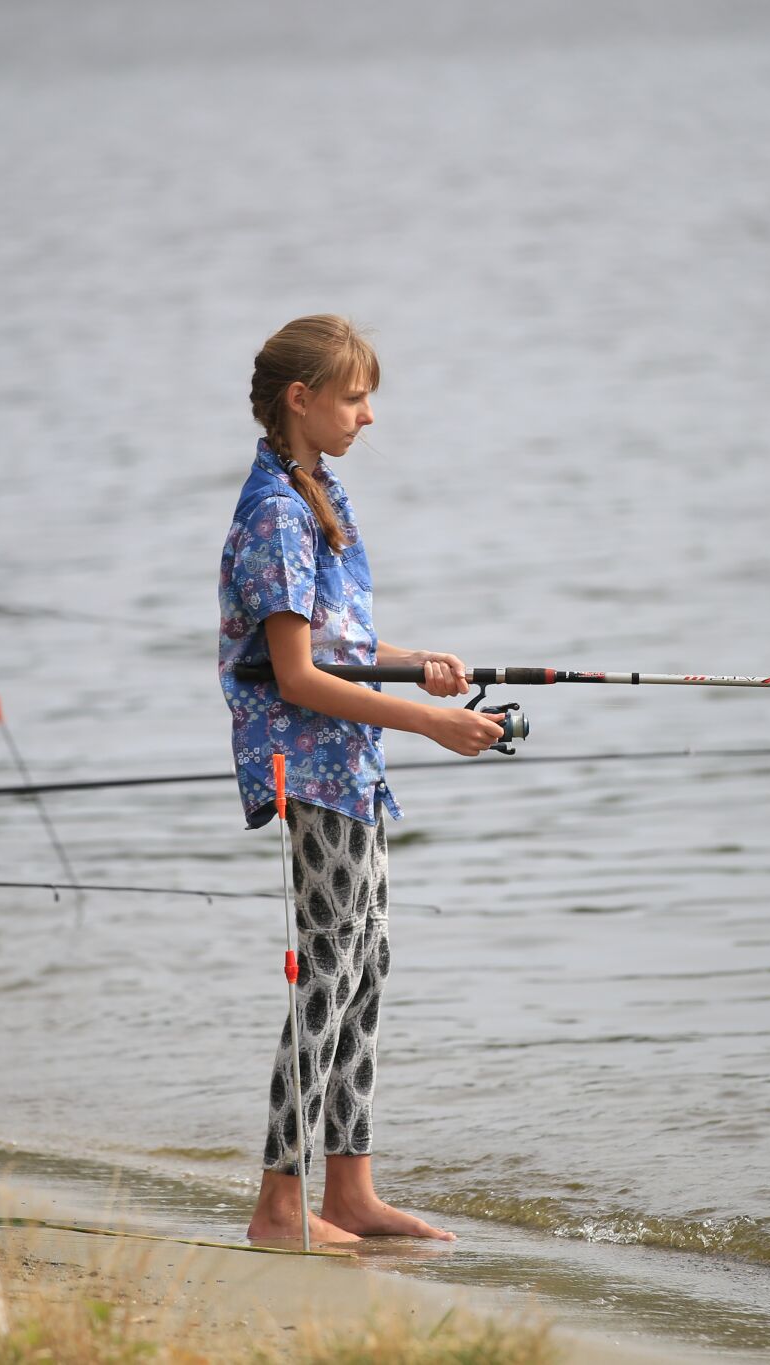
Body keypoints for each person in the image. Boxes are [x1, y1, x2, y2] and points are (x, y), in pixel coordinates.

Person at [218, 315, 501, 1246]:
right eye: (352, 396)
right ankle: (277, 1207)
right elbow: (295, 676)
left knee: (366, 965)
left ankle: (350, 1192)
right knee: (327, 969)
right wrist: (431, 723)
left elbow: (334, 645)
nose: (368, 415)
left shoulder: (316, 490)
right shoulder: (273, 512)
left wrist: (414, 662)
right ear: (300, 401)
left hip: (353, 762)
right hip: (312, 764)